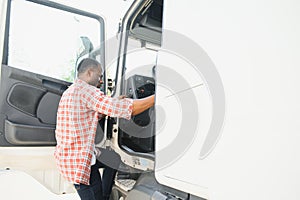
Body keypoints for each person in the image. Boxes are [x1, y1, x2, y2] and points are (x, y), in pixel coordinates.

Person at [54, 58, 155, 200]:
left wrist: (115, 101)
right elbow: (127, 109)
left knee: (113, 159)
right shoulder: (86, 90)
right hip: (79, 162)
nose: (101, 80)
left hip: (73, 157)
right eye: (100, 75)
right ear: (90, 73)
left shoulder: (71, 91)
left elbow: (93, 112)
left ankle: (106, 196)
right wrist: (157, 98)